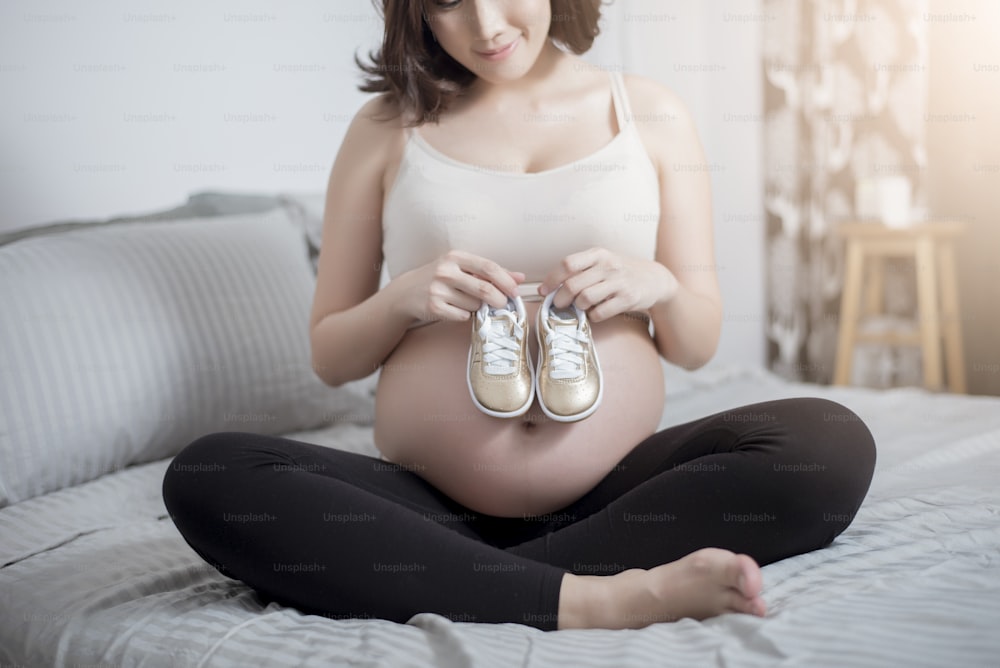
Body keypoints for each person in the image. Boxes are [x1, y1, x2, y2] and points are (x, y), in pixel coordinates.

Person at [162, 0, 876, 631]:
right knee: (209, 472)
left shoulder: (649, 113)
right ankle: (596, 598)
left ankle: (450, 573)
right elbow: (331, 355)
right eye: (448, 0)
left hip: (620, 498)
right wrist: (403, 297)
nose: (487, 24)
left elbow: (695, 342)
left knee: (828, 442)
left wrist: (655, 283)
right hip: (426, 501)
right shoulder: (386, 126)